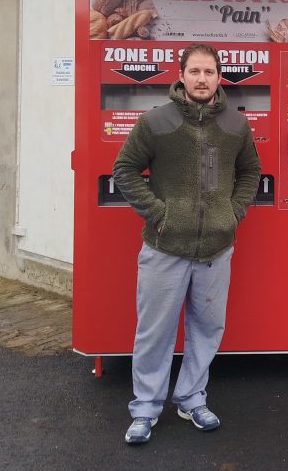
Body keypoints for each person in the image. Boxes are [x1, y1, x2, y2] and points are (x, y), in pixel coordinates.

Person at [112, 42, 261, 445]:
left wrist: (232, 213)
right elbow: (124, 169)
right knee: (154, 331)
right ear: (181, 75)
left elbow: (250, 172)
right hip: (164, 248)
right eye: (194, 71)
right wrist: (159, 214)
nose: (201, 79)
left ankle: (192, 397)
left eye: (208, 72)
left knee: (207, 327)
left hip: (217, 249)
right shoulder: (156, 121)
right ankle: (145, 408)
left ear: (218, 77)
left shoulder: (235, 124)